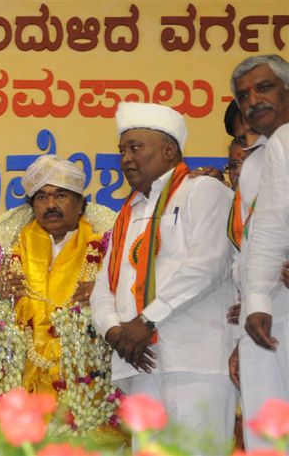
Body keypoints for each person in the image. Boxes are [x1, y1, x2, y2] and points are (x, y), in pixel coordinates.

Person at [90, 102, 236, 452]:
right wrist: (116, 332)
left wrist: (146, 321)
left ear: (169, 150)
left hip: (195, 362)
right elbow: (103, 286)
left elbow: (208, 265)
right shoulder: (129, 211)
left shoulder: (204, 192)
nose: (126, 158)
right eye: (122, 150)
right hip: (139, 364)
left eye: (135, 148)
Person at [0, 155, 116, 395]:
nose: (50, 205)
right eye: (41, 197)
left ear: (80, 204)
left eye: (60, 195)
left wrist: (105, 291)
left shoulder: (104, 251)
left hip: (85, 378)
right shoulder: (11, 247)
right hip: (19, 376)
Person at [238, 55, 289, 452]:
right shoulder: (255, 162)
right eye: (243, 96)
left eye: (264, 87)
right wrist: (252, 297)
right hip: (269, 318)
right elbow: (265, 232)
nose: (253, 100)